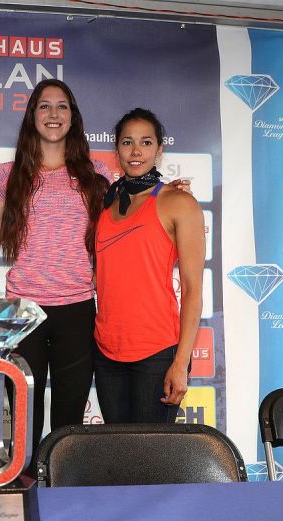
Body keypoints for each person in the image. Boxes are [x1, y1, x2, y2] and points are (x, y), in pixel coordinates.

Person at [0, 79, 109, 448]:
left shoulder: (97, 173)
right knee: (23, 417)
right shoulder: (8, 175)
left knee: (68, 422)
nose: (53, 114)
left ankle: (59, 482)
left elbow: (122, 227)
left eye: (61, 106)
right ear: (32, 116)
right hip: (23, 310)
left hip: (77, 309)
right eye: (44, 106)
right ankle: (24, 481)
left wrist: (164, 191)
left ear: (73, 117)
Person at [93, 108, 205, 423]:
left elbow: (193, 290)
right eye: (127, 142)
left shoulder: (179, 203)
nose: (136, 151)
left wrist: (180, 363)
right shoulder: (106, 203)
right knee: (117, 450)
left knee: (150, 452)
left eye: (146, 142)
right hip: (107, 353)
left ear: (159, 149)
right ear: (116, 150)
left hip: (157, 353)